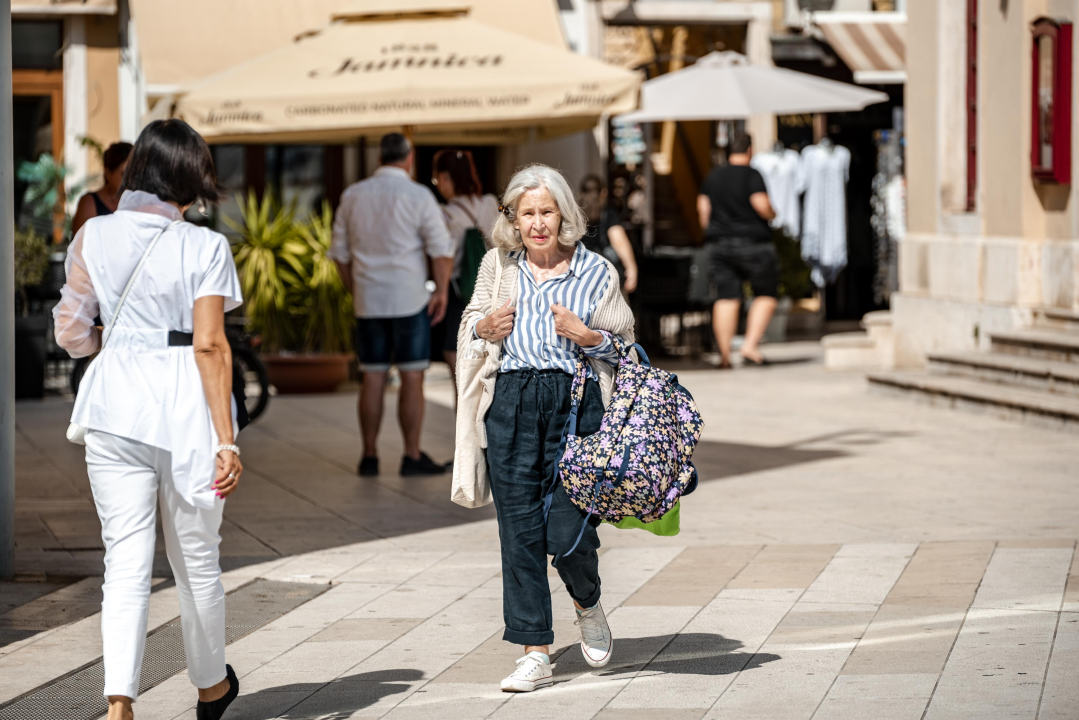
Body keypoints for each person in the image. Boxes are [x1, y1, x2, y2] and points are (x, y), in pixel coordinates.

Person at [52, 119, 243, 720]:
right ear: (191, 176)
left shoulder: (92, 234)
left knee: (125, 561)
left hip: (114, 405)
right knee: (196, 560)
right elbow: (210, 346)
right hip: (187, 408)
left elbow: (71, 332)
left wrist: (113, 338)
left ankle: (119, 704)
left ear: (137, 170)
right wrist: (227, 441)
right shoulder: (205, 246)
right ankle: (211, 687)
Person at [458, 164, 635, 693]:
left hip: (576, 406)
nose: (537, 224)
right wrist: (483, 327)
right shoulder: (498, 265)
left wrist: (588, 337)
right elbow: (471, 325)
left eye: (547, 212)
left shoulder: (597, 272)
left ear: (564, 214)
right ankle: (534, 650)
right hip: (510, 402)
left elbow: (625, 346)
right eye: (526, 213)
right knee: (518, 532)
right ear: (512, 219)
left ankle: (587, 601)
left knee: (568, 530)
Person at [330, 133, 454, 477]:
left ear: (379, 157)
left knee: (372, 377)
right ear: (410, 157)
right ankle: (411, 455)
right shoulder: (418, 195)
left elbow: (339, 253)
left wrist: (354, 288)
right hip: (410, 298)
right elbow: (441, 248)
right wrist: (441, 290)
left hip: (368, 301)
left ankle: (369, 455)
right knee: (413, 377)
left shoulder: (352, 195)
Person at [697, 132, 778, 368]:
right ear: (750, 150)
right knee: (766, 293)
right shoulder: (752, 175)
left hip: (719, 244)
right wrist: (773, 214)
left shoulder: (714, 176)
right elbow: (761, 205)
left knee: (726, 297)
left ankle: (724, 356)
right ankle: (750, 346)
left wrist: (712, 230)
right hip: (753, 243)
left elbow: (703, 207)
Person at [431, 148, 500, 396]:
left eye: (437, 179)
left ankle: (464, 431)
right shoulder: (491, 203)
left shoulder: (443, 213)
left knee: (461, 379)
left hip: (457, 296)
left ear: (446, 178)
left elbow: (444, 257)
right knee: (488, 371)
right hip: (492, 294)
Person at [578, 174, 638, 294]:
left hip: (580, 274)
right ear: (603, 192)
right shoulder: (608, 213)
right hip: (605, 276)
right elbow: (619, 241)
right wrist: (631, 267)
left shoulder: (575, 214)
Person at [72, 142, 134, 236]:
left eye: (133, 174)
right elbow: (81, 245)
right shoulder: (89, 203)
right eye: (124, 174)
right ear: (108, 173)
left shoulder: (137, 201)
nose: (129, 179)